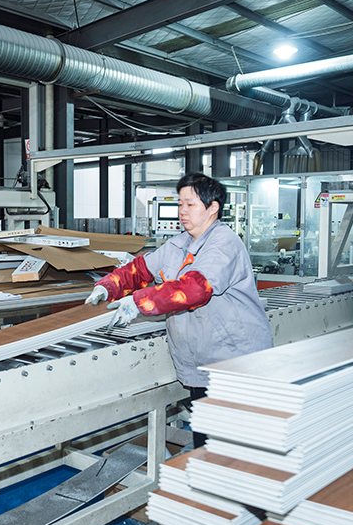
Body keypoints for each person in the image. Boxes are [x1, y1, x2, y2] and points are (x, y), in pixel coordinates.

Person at [86, 173, 272, 446]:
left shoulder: (224, 244)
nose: (182, 211)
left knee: (231, 443)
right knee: (207, 438)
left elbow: (195, 288)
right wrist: (107, 286)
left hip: (232, 358)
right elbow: (141, 269)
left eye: (190, 204)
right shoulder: (178, 244)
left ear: (213, 207)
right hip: (200, 357)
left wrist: (138, 302)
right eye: (180, 204)